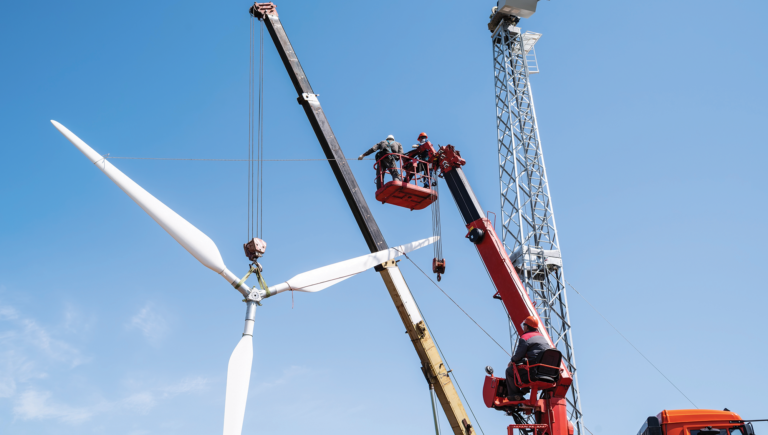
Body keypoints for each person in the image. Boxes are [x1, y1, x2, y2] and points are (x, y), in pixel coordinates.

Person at [505, 315, 552, 401]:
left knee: (510, 371)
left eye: (524, 324)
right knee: (527, 372)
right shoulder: (542, 338)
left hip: (534, 371)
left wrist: (512, 361)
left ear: (526, 326)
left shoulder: (525, 338)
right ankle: (522, 393)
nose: (523, 326)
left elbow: (518, 355)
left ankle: (514, 395)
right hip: (547, 371)